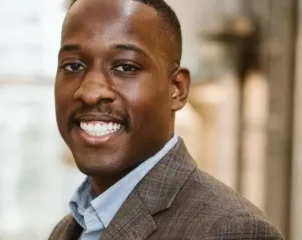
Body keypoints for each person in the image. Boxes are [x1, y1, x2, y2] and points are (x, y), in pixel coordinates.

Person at [49, 0, 284, 239]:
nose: (90, 92)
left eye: (126, 67)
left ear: (177, 89)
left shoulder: (231, 231)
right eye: (73, 65)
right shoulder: (68, 229)